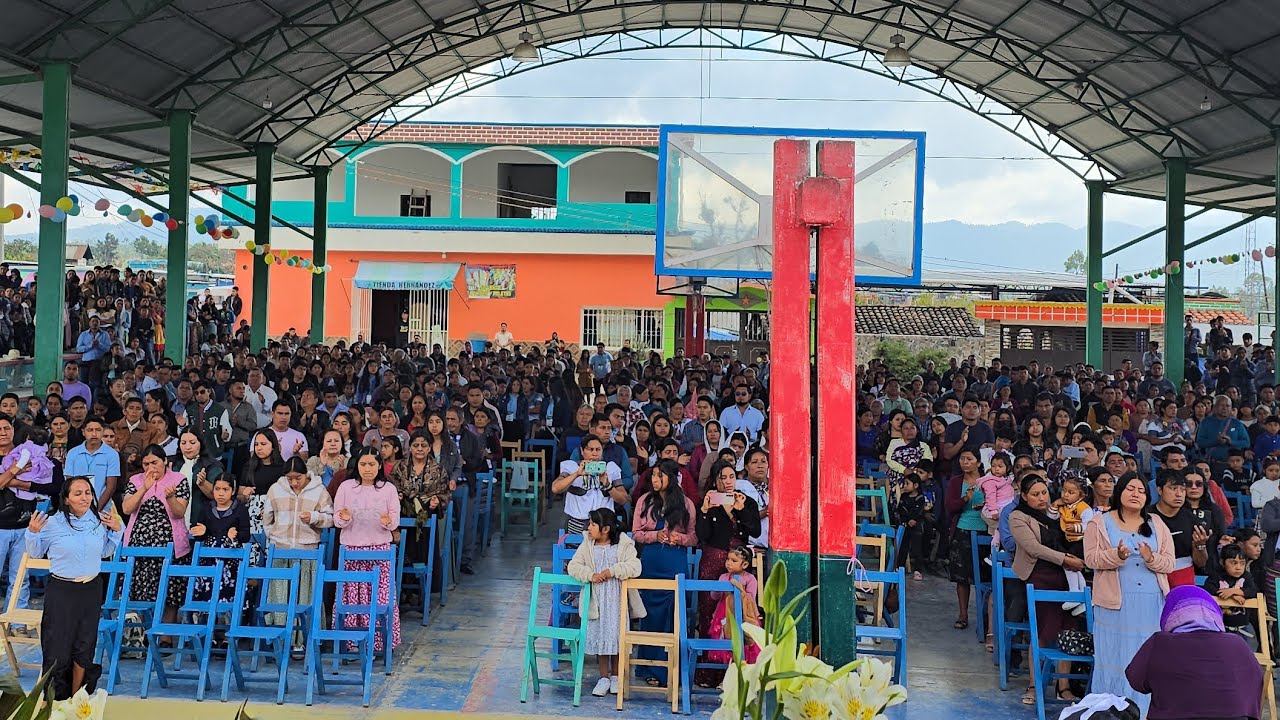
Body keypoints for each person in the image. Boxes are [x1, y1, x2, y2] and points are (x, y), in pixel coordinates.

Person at [1084, 471, 1176, 717]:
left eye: (1142, 491)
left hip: (1151, 603)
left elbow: (1169, 563)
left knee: (1146, 659)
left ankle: (1145, 713)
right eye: (1130, 489)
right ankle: (1109, 713)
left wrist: (1150, 558)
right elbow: (1090, 559)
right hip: (1115, 603)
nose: (1136, 494)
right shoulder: (1099, 522)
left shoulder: (1157, 523)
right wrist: (1117, 556)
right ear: (1119, 491)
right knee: (1115, 658)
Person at [24, 476, 122, 699]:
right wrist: (32, 533)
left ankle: (77, 700)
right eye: (78, 493)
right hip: (62, 591)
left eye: (88, 492)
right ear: (66, 499)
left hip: (91, 590)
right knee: (58, 647)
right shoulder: (52, 523)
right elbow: (37, 552)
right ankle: (54, 701)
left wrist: (117, 531)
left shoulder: (98, 521)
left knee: (84, 645)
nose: (84, 497)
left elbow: (105, 551)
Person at [1126, 585, 1262, 720]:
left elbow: (1136, 681)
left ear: (1170, 613)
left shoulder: (1159, 642)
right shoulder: (1236, 643)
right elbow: (1256, 679)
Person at [1008, 473, 1086, 705]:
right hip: (1040, 575)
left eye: (1044, 493)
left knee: (1068, 629)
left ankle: (1063, 686)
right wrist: (1065, 559)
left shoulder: (1056, 513)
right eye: (1035, 494)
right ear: (1024, 496)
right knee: (1043, 630)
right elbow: (1033, 548)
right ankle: (1034, 684)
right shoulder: (1017, 516)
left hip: (1066, 576)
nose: (1042, 498)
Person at [631, 458, 697, 687]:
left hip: (674, 562)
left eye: (661, 475)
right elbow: (636, 533)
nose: (656, 480)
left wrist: (681, 539)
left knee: (672, 615)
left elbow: (694, 536)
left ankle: (669, 670)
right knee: (650, 614)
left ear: (671, 477)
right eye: (654, 475)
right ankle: (648, 667)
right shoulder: (644, 501)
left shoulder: (686, 504)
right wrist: (653, 536)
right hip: (651, 561)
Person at [262, 455, 333, 656]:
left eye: (298, 478)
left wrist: (314, 517)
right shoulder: (276, 489)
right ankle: (282, 639)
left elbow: (330, 518)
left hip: (307, 551)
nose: (294, 482)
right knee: (281, 597)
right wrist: (275, 538)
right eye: (290, 478)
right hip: (281, 551)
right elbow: (267, 519)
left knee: (305, 597)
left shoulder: (318, 491)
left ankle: (303, 640)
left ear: (305, 475)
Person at [566, 507, 641, 698]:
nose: (588, 528)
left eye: (592, 524)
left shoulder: (623, 544)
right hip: (597, 598)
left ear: (605, 529)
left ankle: (616, 677)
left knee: (616, 635)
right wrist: (590, 575)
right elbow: (573, 566)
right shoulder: (587, 545)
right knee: (600, 635)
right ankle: (603, 678)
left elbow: (635, 566)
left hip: (616, 598)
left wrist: (612, 571)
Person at [333, 446, 402, 653]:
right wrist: (343, 519)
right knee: (352, 597)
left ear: (380, 465)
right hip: (352, 549)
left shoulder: (388, 489)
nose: (367, 469)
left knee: (379, 599)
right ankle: (352, 643)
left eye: (372, 464)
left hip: (379, 551)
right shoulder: (346, 487)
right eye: (363, 464)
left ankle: (377, 643)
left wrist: (388, 522)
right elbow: (336, 518)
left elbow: (395, 519)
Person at [121, 445, 192, 629]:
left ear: (165, 462)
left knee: (170, 591)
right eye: (146, 464)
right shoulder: (135, 480)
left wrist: (170, 498)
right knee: (140, 591)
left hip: (171, 545)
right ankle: (144, 633)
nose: (150, 467)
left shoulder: (179, 480)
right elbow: (127, 509)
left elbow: (179, 512)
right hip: (140, 545)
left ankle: (166, 634)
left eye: (155, 462)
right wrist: (143, 489)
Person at [188, 475, 250, 606]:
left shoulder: (240, 509)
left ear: (233, 491)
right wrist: (202, 533)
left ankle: (228, 619)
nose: (221, 493)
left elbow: (246, 536)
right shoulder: (206, 508)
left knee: (229, 593)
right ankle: (206, 617)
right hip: (209, 559)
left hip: (231, 561)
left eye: (225, 489)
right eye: (217, 489)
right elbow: (199, 533)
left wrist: (236, 534)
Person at [946, 448, 988, 632]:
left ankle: (986, 617)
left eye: (969, 459)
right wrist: (965, 499)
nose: (965, 462)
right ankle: (963, 615)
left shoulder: (988, 481)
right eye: (962, 459)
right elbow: (950, 506)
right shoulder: (956, 482)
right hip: (962, 530)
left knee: (986, 578)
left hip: (984, 532)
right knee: (961, 577)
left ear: (978, 462)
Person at [554, 435, 628, 535]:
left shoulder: (610, 468)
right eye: (590, 449)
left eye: (598, 449)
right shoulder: (571, 466)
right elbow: (555, 488)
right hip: (577, 523)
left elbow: (623, 499)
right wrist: (576, 474)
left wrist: (607, 484)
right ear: (582, 451)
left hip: (604, 525)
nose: (594, 453)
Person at [1202, 544, 1257, 640]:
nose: (1238, 567)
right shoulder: (1216, 577)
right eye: (1233, 563)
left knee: (1241, 653)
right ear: (1222, 562)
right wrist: (1232, 597)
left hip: (1241, 627)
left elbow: (1254, 591)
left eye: (1242, 563)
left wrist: (1233, 591)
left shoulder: (1247, 577)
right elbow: (1208, 589)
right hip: (1219, 627)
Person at [897, 472, 933, 581]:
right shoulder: (903, 496)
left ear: (916, 485)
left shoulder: (921, 498)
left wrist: (914, 520)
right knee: (903, 547)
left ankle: (918, 570)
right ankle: (899, 568)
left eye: (907, 484)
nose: (904, 486)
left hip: (917, 525)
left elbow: (920, 511)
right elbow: (900, 510)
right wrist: (907, 520)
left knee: (917, 548)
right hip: (905, 524)